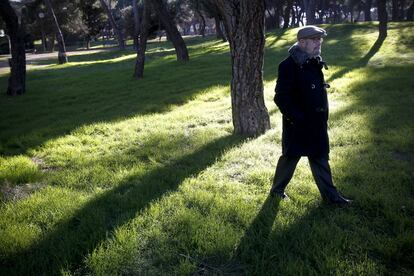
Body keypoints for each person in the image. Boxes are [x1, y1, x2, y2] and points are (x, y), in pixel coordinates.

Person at [270, 26, 352, 205]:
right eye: (315, 40)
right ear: (302, 42)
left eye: (320, 40)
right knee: (290, 157)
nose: (319, 43)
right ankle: (276, 191)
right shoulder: (288, 66)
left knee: (320, 156)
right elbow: (281, 97)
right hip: (298, 124)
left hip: (316, 122)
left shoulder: (314, 61)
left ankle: (332, 198)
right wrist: (298, 119)